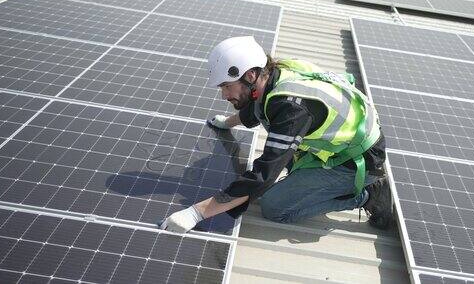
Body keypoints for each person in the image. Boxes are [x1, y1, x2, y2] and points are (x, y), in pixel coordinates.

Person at [160, 36, 391, 233]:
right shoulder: (273, 74)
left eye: (226, 86)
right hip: (339, 142)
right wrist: (227, 123)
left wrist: (196, 214)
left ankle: (368, 194)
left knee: (274, 207)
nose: (223, 95)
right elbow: (256, 108)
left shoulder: (291, 108)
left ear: (250, 75)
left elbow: (262, 176)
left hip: (356, 160)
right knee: (267, 121)